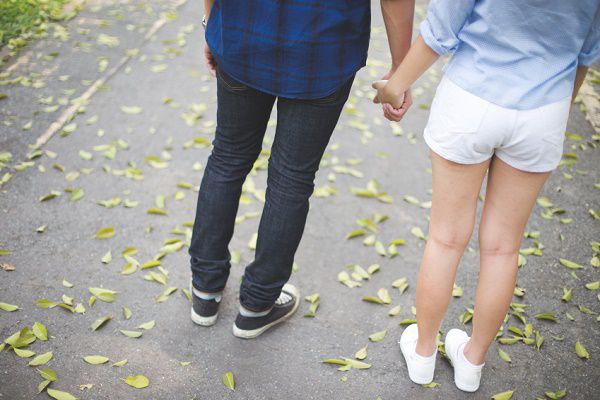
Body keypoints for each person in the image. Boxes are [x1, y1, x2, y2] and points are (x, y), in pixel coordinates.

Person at [373, 0, 600, 392]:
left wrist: (397, 84)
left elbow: (440, 30)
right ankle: (472, 362)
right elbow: (585, 54)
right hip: (544, 110)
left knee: (445, 239)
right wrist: (555, 111)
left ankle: (424, 353)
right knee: (502, 248)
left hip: (470, 101)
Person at [189, 0, 415, 339]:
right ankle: (257, 304)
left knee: (228, 156)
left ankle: (204, 290)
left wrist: (212, 21)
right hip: (323, 48)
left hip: (242, 32)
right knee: (291, 176)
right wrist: (401, 67)